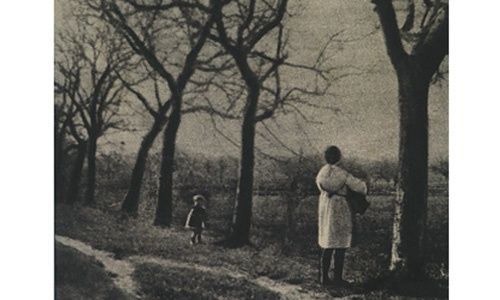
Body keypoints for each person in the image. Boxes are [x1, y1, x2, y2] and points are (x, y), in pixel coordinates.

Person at [316, 145, 367, 287]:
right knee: (340, 244)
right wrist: (364, 184)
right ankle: (337, 278)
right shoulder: (342, 173)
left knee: (327, 242)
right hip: (339, 208)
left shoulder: (322, 172)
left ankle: (324, 278)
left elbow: (324, 185)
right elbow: (361, 187)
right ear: (338, 157)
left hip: (326, 207)